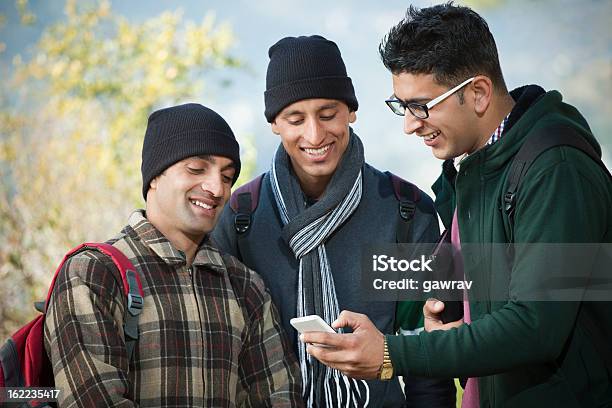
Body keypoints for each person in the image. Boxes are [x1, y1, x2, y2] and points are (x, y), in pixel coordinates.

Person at [301, 3, 612, 407]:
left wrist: (393, 353)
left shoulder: (556, 169)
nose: (410, 125)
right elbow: (479, 299)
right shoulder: (468, 172)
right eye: (401, 106)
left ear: (478, 93)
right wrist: (442, 320)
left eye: (420, 106)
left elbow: (535, 326)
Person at [213, 35, 455, 407]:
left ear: (351, 112)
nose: (314, 134)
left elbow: (425, 352)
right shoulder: (243, 217)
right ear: (275, 124)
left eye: (328, 115)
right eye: (295, 119)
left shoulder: (405, 212)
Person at [44, 103, 303, 407]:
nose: (216, 188)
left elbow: (279, 397)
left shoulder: (246, 287)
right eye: (196, 169)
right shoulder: (94, 273)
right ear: (154, 176)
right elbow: (91, 400)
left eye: (227, 176)